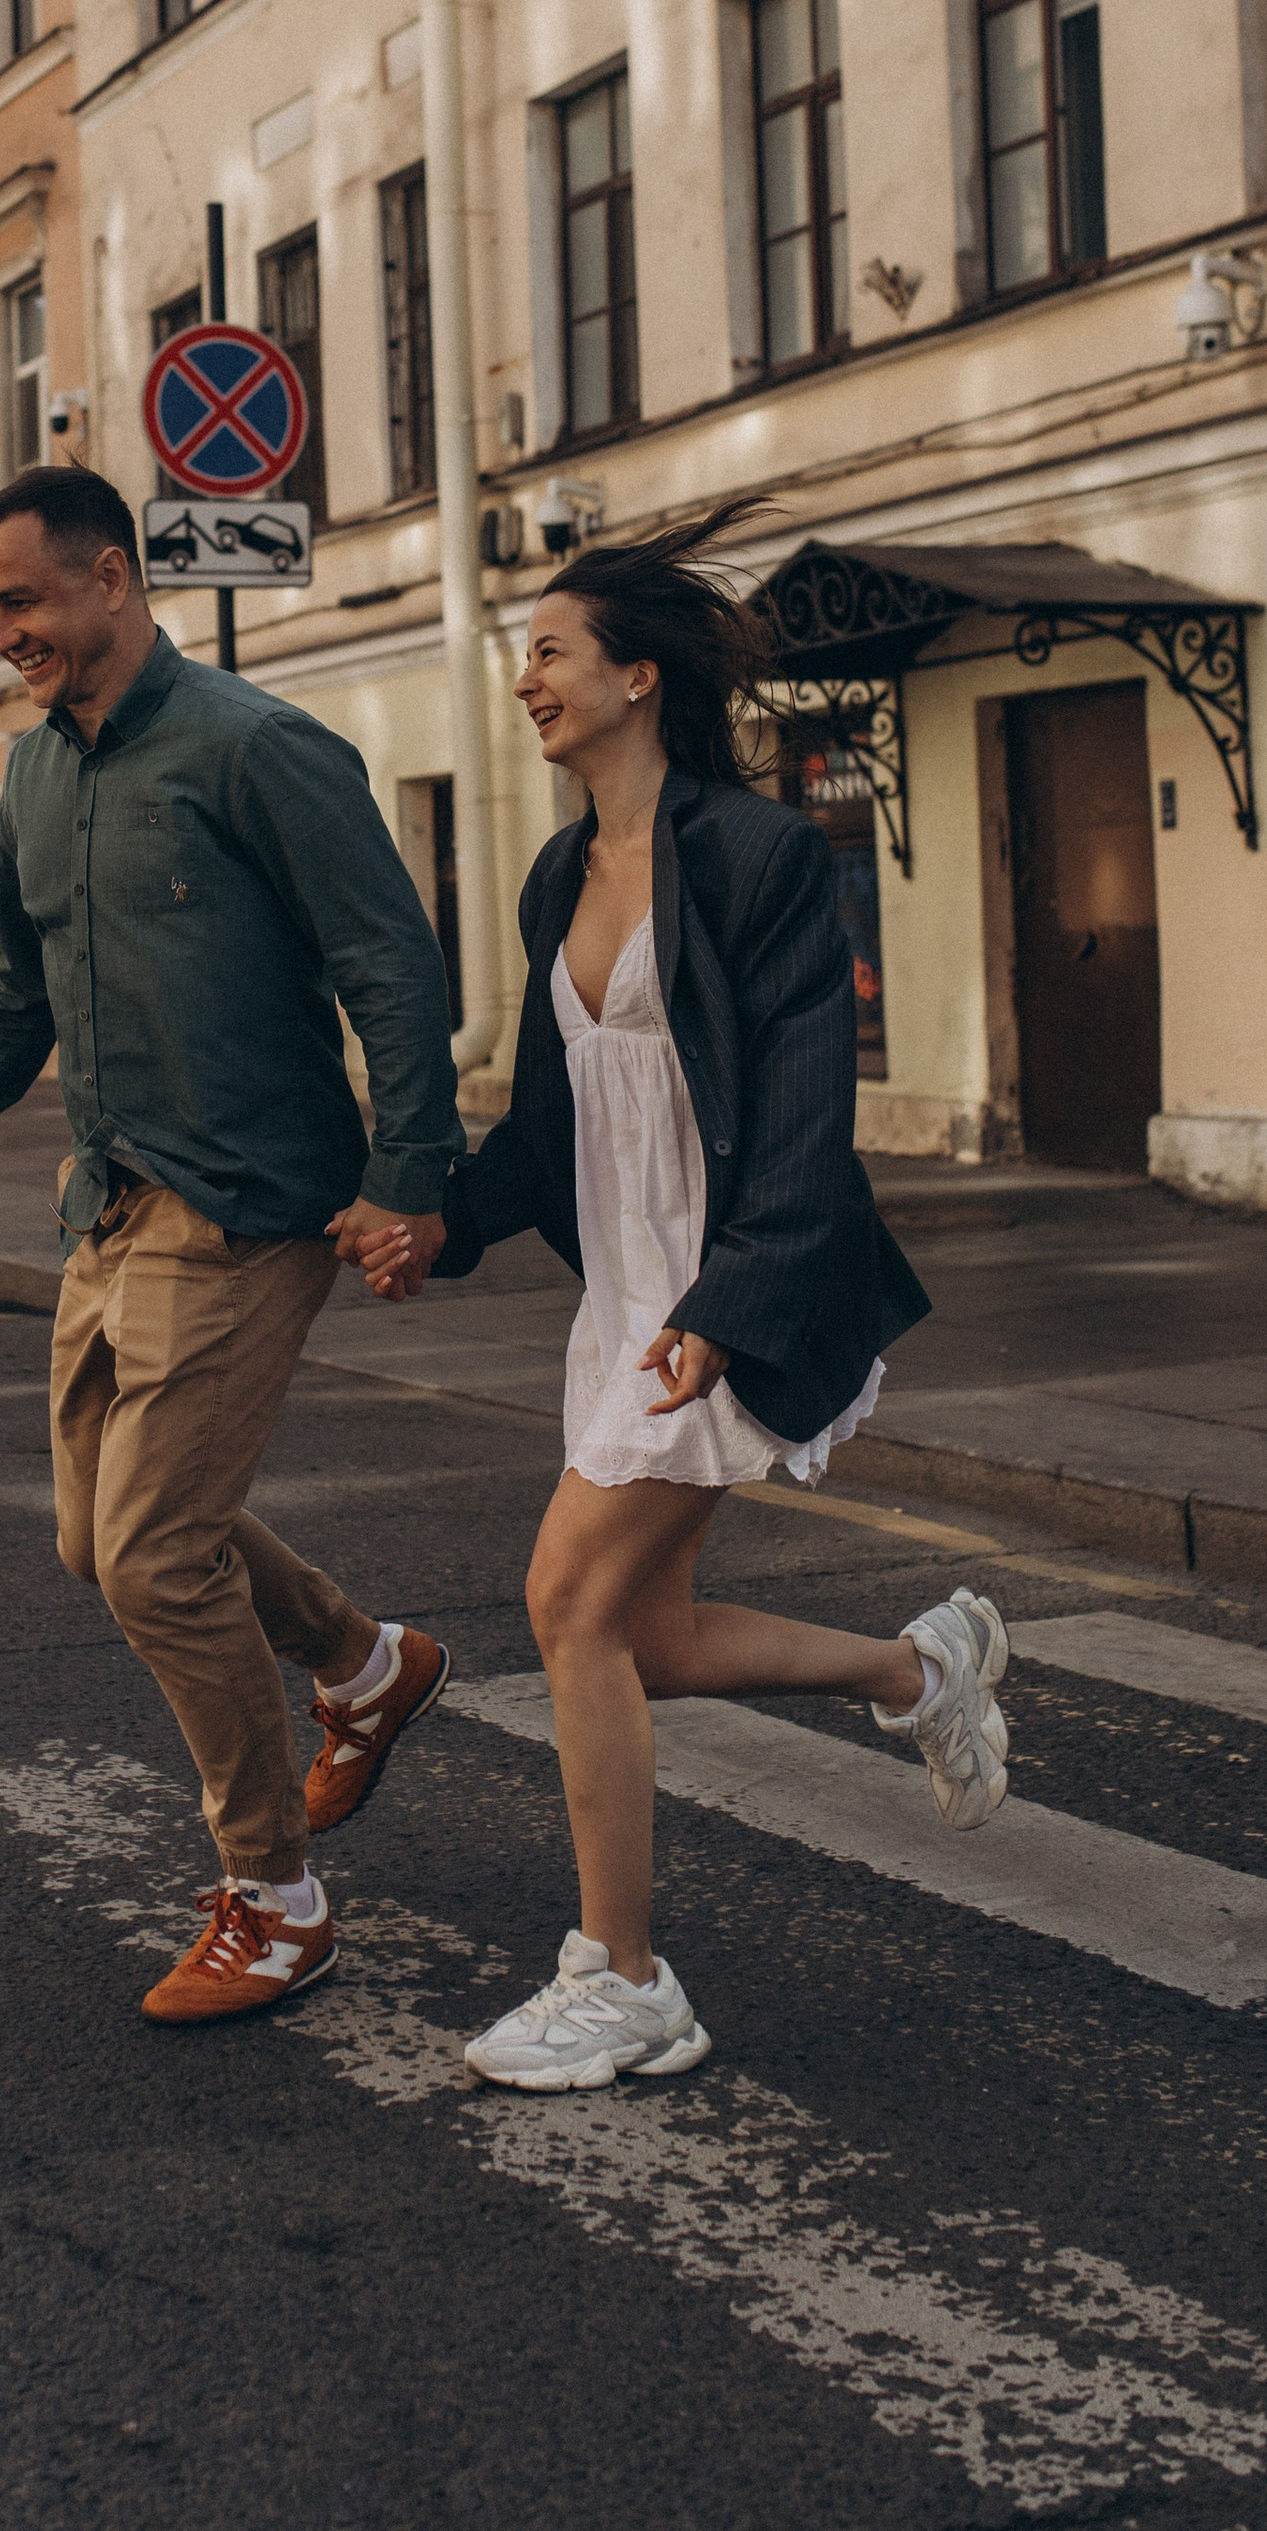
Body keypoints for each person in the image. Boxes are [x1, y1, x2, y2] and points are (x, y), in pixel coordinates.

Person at [343, 511, 1008, 2095]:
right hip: (631, 1293)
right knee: (643, 1632)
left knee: (566, 1604)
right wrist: (442, 1223)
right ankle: (916, 1675)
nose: (529, 681)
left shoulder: (762, 855)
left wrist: (730, 1298)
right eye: (527, 658)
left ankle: (622, 1977)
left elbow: (801, 1106)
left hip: (726, 1290)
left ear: (640, 678)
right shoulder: (558, 875)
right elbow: (559, 1122)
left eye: (553, 653)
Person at [0, 463, 462, 2029]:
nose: (6, 634)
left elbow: (389, 964)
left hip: (253, 1205)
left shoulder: (260, 751)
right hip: (110, 1206)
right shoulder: (36, 776)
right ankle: (366, 1663)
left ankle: (275, 1899)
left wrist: (409, 1177)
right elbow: (13, 989)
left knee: (151, 1553)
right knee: (94, 1540)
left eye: (26, 601)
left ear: (114, 578)